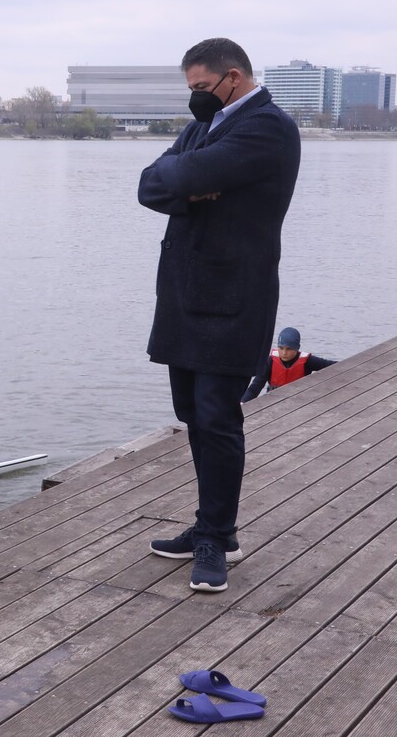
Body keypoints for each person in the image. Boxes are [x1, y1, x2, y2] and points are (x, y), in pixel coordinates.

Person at [139, 37, 301, 594]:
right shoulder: (203, 127)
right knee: (191, 409)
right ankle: (209, 525)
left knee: (216, 413)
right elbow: (150, 183)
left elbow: (176, 177)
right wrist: (194, 188)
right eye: (191, 91)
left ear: (234, 76)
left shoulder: (268, 127)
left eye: (202, 88)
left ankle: (217, 537)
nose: (195, 100)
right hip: (184, 294)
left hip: (234, 294)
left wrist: (188, 180)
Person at [242, 326, 338, 402]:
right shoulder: (270, 361)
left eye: (289, 349)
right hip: (272, 403)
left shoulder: (307, 361)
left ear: (297, 348)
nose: (284, 353)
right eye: (281, 348)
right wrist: (242, 402)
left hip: (298, 403)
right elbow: (255, 387)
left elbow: (334, 366)